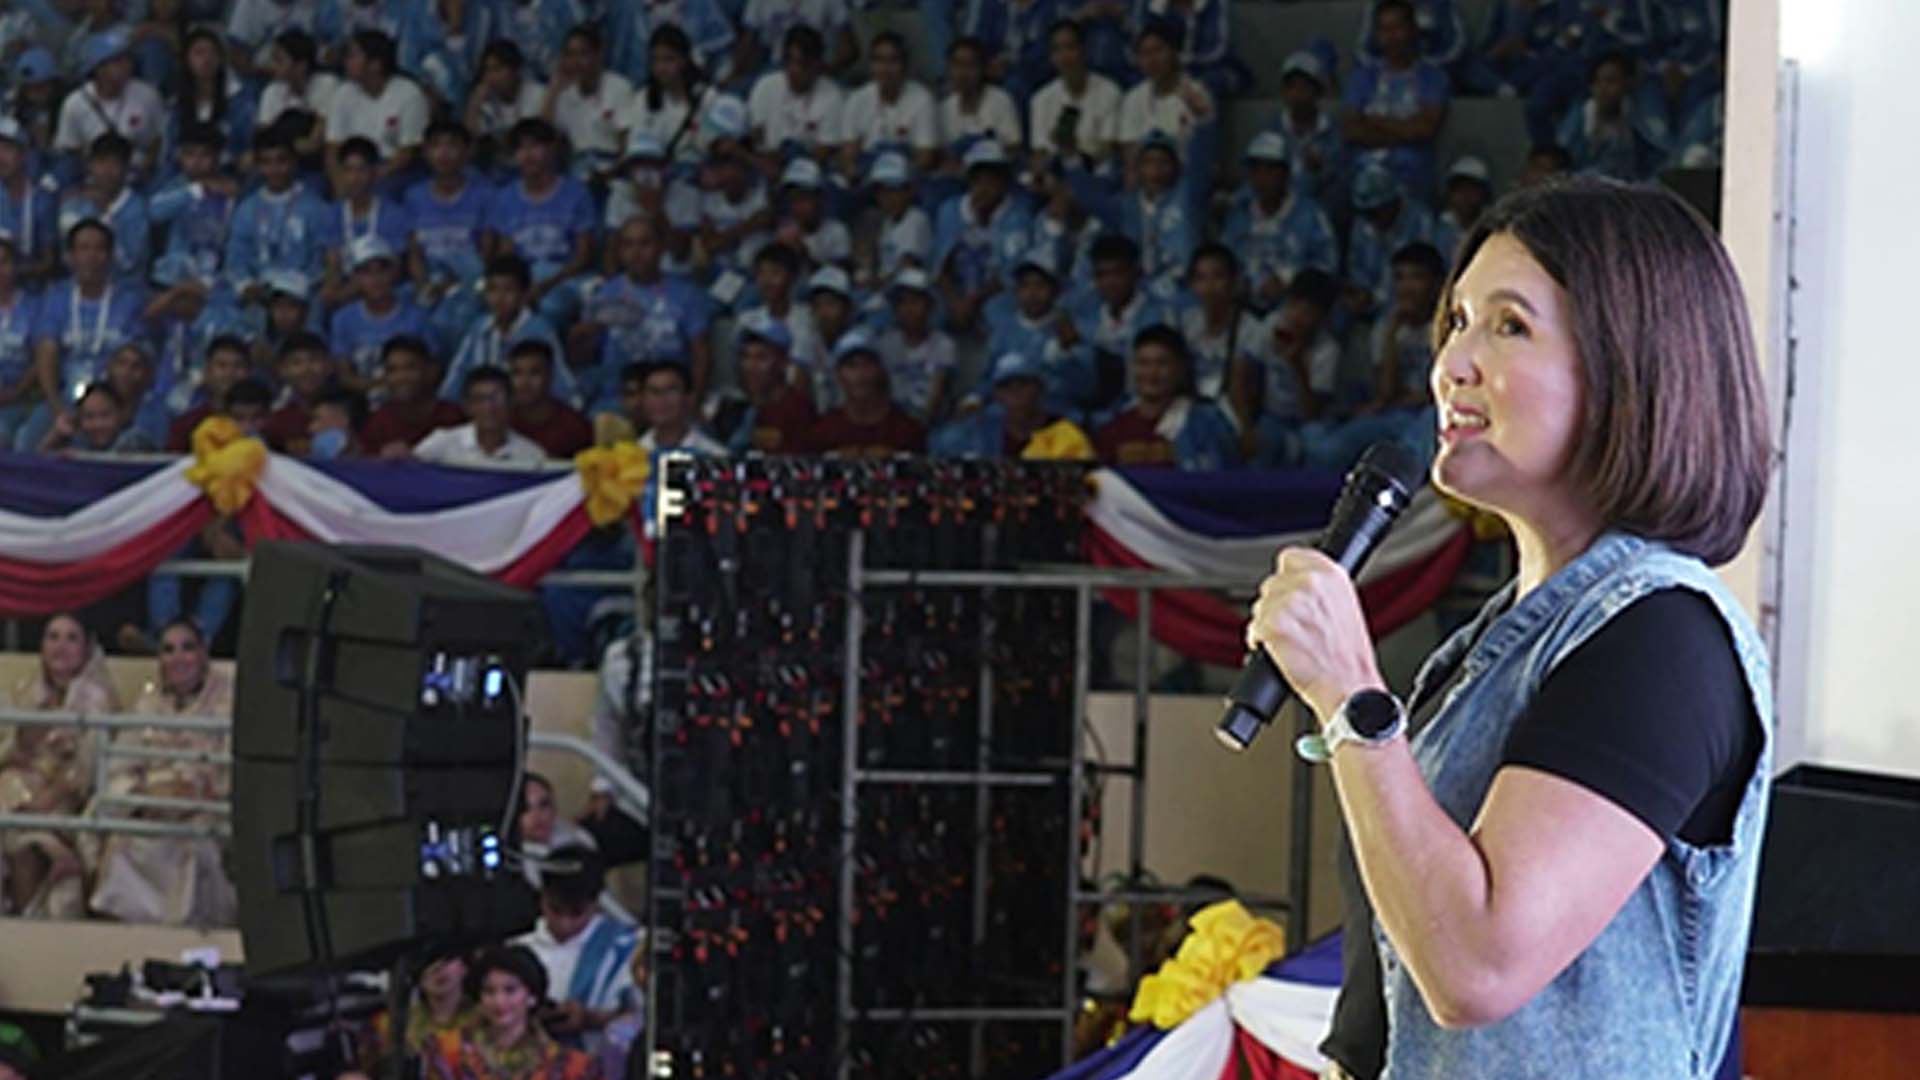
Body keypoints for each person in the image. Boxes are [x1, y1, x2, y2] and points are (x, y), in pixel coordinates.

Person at [1253, 180, 1772, 1080]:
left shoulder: (1660, 637)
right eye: (1457, 321)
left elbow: (1478, 966)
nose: (1452, 363)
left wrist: (1349, 694)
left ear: (1630, 369)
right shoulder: (1499, 644)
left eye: (1509, 326)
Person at [89, 619, 237, 926]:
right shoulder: (147, 703)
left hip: (204, 811)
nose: (177, 658)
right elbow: (118, 767)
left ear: (203, 654)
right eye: (168, 650)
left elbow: (234, 773)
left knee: (196, 848)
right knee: (119, 844)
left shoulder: (230, 702)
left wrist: (193, 795)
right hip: (152, 809)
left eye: (187, 648)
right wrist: (142, 797)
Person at [2, 613, 120, 917]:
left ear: (86, 648)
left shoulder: (97, 699)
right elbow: (8, 750)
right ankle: (53, 851)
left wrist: (47, 797)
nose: (60, 646)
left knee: (18, 828)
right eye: (53, 637)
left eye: (71, 638)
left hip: (67, 801)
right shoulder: (25, 691)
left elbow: (88, 771)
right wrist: (19, 747)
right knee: (11, 795)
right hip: (20, 795)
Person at [22, 220, 147, 451]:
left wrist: (125, 409)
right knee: (27, 441)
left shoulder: (128, 300)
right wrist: (56, 408)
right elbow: (46, 351)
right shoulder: (56, 297)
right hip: (66, 398)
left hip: (115, 399)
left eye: (99, 248)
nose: (91, 256)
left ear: (110, 256)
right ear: (71, 256)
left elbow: (136, 361)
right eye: (84, 248)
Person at [513, 845, 641, 1062]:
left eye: (576, 913)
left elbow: (645, 1020)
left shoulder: (628, 948)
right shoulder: (517, 951)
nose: (565, 923)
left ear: (595, 903)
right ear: (542, 897)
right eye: (555, 910)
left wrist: (591, 1019)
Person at [572, 215, 713, 412]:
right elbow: (582, 358)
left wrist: (694, 402)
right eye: (628, 245)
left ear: (661, 247)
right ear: (619, 251)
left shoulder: (687, 294)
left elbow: (701, 354)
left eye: (645, 243)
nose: (636, 252)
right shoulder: (604, 294)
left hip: (670, 400)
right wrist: (580, 337)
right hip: (617, 399)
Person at [424, 944, 603, 1079]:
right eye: (489, 991)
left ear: (532, 996)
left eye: (510, 990)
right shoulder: (448, 1053)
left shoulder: (572, 1068)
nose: (499, 1001)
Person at [487, 119, 597, 328]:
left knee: (548, 308)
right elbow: (507, 256)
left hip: (564, 278)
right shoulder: (505, 198)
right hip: (522, 281)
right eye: (521, 148)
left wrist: (547, 284)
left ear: (552, 149)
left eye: (535, 146)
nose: (528, 155)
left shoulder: (576, 193)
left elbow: (583, 257)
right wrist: (519, 288)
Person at [1342, 0, 1451, 198]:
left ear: (1413, 30)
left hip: (1412, 175)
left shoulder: (1433, 78)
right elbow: (1352, 129)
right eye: (1384, 30)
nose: (1391, 37)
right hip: (1365, 172)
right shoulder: (1361, 78)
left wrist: (1374, 121)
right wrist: (1403, 131)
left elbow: (1424, 129)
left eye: (1397, 28)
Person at [1093, 324, 1239, 469]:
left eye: (1162, 363)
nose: (1152, 373)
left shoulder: (1207, 424)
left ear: (1180, 369)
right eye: (1144, 363)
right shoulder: (1113, 427)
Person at [1222, 132, 1339, 313]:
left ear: (1286, 174)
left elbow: (1327, 266)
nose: (1262, 178)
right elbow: (1224, 259)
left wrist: (1287, 279)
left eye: (1270, 170)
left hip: (1293, 309)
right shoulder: (1240, 213)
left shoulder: (1310, 214)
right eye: (1255, 170)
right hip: (1243, 310)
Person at [406, 119, 494, 347]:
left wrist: (452, 285)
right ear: (425, 152)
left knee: (452, 319)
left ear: (467, 151)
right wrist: (423, 285)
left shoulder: (485, 195)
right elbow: (414, 252)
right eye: (436, 145)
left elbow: (486, 253)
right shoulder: (414, 196)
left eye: (452, 145)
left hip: (469, 281)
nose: (443, 153)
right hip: (429, 280)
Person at [444, 255, 571, 404]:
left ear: (524, 294)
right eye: (492, 290)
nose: (499, 298)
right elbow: (458, 373)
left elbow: (559, 380)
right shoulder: (479, 327)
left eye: (508, 290)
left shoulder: (540, 331)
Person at [932, 139, 1030, 333]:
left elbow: (1009, 274)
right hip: (955, 291)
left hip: (994, 295)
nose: (984, 188)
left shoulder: (1018, 217)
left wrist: (973, 300)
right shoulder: (950, 210)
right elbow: (940, 267)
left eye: (992, 180)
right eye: (979, 180)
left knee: (999, 309)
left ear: (1004, 183)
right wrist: (955, 301)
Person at [224, 127, 330, 303]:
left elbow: (321, 260)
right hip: (258, 295)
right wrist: (246, 285)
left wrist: (294, 287)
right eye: (267, 162)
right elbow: (236, 258)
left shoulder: (315, 207)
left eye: (281, 161)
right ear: (258, 166)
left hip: (301, 296)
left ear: (294, 162)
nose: (275, 169)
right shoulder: (247, 209)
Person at [930, 351, 1093, 460]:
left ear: (1040, 388)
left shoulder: (1067, 435)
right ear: (996, 394)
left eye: (1023, 383)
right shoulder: (977, 433)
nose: (1015, 392)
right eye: (1006, 385)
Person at [55, 30, 165, 180]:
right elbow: (70, 150)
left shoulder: (148, 94)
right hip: (94, 180)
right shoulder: (75, 103)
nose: (127, 65)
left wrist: (146, 166)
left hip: (140, 176)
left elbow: (159, 138)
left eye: (127, 59)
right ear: (99, 68)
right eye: (117, 61)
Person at [319, 137, 415, 309]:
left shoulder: (394, 213)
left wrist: (346, 294)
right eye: (348, 170)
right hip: (346, 286)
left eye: (361, 170)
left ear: (375, 173)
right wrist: (330, 291)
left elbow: (395, 270)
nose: (355, 178)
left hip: (383, 287)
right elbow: (333, 264)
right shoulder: (332, 214)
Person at [1116, 19, 1216, 184]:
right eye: (1144, 54)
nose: (1152, 60)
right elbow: (1131, 161)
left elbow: (1204, 156)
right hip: (1147, 182)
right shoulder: (1133, 98)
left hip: (1186, 181)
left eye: (1158, 50)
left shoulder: (1197, 94)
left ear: (1174, 53)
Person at [329, 236, 434, 391]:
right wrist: (377, 387)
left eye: (382, 270)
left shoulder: (417, 317)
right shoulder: (342, 319)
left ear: (393, 273)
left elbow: (433, 367)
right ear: (355, 278)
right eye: (366, 272)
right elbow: (344, 375)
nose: (376, 279)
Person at [326, 31, 431, 184]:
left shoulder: (409, 93)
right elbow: (333, 147)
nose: (346, 61)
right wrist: (340, 183)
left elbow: (408, 152)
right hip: (353, 168)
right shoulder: (343, 92)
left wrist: (368, 179)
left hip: (393, 171)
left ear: (376, 64)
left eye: (353, 56)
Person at [1556, 51, 1670, 182]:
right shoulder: (1580, 118)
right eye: (1597, 82)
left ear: (1627, 84)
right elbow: (1563, 161)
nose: (1602, 89)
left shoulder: (1636, 117)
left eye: (1611, 81)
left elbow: (1658, 156)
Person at [807, 332, 927, 455]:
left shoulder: (907, 430)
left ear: (880, 371)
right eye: (851, 365)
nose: (860, 374)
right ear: (839, 375)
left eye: (867, 364)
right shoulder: (825, 431)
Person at [543, 25, 634, 186]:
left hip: (612, 170)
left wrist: (609, 175)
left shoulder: (619, 87)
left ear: (598, 55)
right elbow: (545, 139)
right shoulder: (564, 94)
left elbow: (626, 146)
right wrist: (553, 91)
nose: (576, 62)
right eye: (570, 55)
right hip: (577, 171)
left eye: (583, 54)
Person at [1029, 19, 1122, 177]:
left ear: (1084, 50)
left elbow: (1108, 148)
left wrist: (1073, 152)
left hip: (1096, 173)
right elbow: (1040, 151)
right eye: (1058, 50)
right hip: (1056, 174)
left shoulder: (1110, 91)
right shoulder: (1041, 99)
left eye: (1070, 48)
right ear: (1051, 57)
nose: (1065, 56)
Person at [745, 26, 844, 172]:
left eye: (802, 64)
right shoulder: (766, 85)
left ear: (817, 64)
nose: (794, 69)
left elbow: (823, 152)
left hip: (808, 171)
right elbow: (754, 139)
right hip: (765, 166)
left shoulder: (833, 95)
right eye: (789, 61)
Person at [838, 31, 937, 177]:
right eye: (879, 60)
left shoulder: (923, 98)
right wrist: (853, 171)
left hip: (906, 172)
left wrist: (895, 175)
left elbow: (925, 157)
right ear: (871, 65)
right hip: (868, 171)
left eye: (893, 61)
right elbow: (848, 153)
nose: (885, 68)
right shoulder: (857, 99)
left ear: (905, 65)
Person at [1345, 164, 1436, 320]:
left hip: (1417, 311)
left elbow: (1427, 275)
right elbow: (1357, 270)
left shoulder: (1420, 222)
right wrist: (1362, 294)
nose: (1372, 218)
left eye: (1376, 211)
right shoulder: (1362, 226)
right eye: (1367, 213)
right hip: (1372, 311)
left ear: (1392, 202)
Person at [56, 134, 149, 286]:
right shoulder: (72, 205)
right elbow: (66, 258)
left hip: (125, 289)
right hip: (78, 288)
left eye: (115, 163)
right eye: (101, 162)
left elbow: (128, 264)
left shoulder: (137, 208)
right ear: (90, 166)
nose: (107, 170)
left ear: (126, 169)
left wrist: (105, 215)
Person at [719, 310, 814, 454]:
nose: (751, 366)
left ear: (783, 362)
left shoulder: (797, 411)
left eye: (761, 357)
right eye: (745, 356)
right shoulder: (737, 409)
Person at [415, 367, 549, 466]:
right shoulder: (442, 443)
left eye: (496, 398)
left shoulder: (532, 455)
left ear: (511, 402)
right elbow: (411, 469)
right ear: (467, 407)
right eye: (479, 399)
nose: (488, 407)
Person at [363, 336, 465, 456]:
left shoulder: (453, 417)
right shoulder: (379, 422)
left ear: (430, 371)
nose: (401, 377)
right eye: (392, 370)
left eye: (410, 368)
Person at [875, 268, 954, 422]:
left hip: (929, 422)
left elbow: (935, 399)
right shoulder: (885, 343)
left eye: (915, 302)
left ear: (929, 306)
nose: (908, 309)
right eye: (902, 303)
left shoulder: (943, 344)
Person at [1270, 51, 1346, 204]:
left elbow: (1342, 191)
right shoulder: (1272, 131)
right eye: (1291, 87)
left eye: (1305, 87)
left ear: (1319, 92)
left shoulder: (1334, 134)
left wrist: (1320, 171)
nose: (1297, 94)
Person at [937, 37, 1023, 163]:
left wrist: (987, 149)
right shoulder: (944, 108)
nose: (963, 73)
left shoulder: (1001, 100)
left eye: (970, 65)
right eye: (957, 65)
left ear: (983, 69)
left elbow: (1014, 147)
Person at [620, 363, 726, 460]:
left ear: (689, 398)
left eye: (670, 391)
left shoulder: (715, 456)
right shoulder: (632, 455)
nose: (661, 400)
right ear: (643, 399)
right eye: (654, 392)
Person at [508, 340, 593, 459]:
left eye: (535, 373)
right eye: (517, 373)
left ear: (550, 376)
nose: (524, 382)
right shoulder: (501, 422)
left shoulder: (574, 427)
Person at [517, 773, 598, 894]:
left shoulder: (580, 839)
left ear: (554, 807)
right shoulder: (511, 862)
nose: (537, 815)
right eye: (526, 808)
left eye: (544, 804)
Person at [262, 330, 333, 453]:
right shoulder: (274, 411)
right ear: (282, 370)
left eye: (314, 360)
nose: (307, 369)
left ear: (328, 366)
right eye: (296, 363)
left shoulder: (348, 405)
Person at [0, 237, 40, 447]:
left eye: (4, 262)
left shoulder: (34, 305)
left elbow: (41, 358)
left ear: (15, 266)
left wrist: (18, 390)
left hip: (21, 397)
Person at [1431, 156, 1492, 263]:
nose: (1465, 196)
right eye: (1460, 189)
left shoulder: (1492, 229)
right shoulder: (1437, 229)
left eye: (1472, 189)